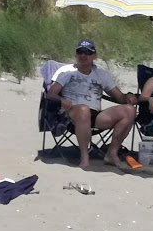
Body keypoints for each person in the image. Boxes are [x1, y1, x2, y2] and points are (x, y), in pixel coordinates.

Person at [48, 39, 140, 170]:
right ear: (76, 55)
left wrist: (129, 96)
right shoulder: (66, 72)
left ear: (94, 56)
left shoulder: (101, 75)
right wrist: (61, 100)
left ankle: (111, 153)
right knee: (83, 110)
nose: (83, 55)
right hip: (71, 114)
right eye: (80, 52)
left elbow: (119, 97)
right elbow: (51, 94)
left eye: (87, 52)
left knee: (129, 110)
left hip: (95, 116)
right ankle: (85, 157)